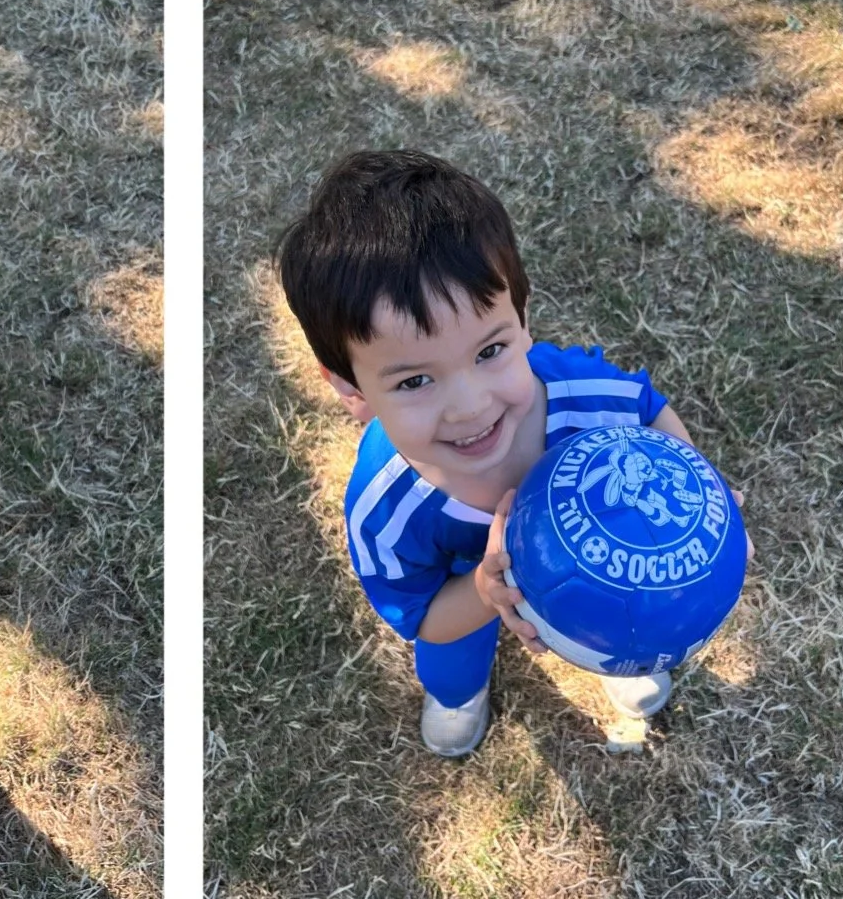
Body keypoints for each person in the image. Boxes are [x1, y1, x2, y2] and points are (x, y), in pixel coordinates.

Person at [275, 150, 732, 757]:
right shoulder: (388, 503)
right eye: (414, 381)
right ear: (353, 391)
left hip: (612, 572)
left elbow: (648, 410)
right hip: (466, 591)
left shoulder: (583, 395)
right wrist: (486, 595)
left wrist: (704, 490)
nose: (469, 405)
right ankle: (460, 695)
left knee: (627, 613)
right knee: (448, 667)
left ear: (522, 319)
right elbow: (421, 615)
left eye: (490, 352)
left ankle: (624, 649)